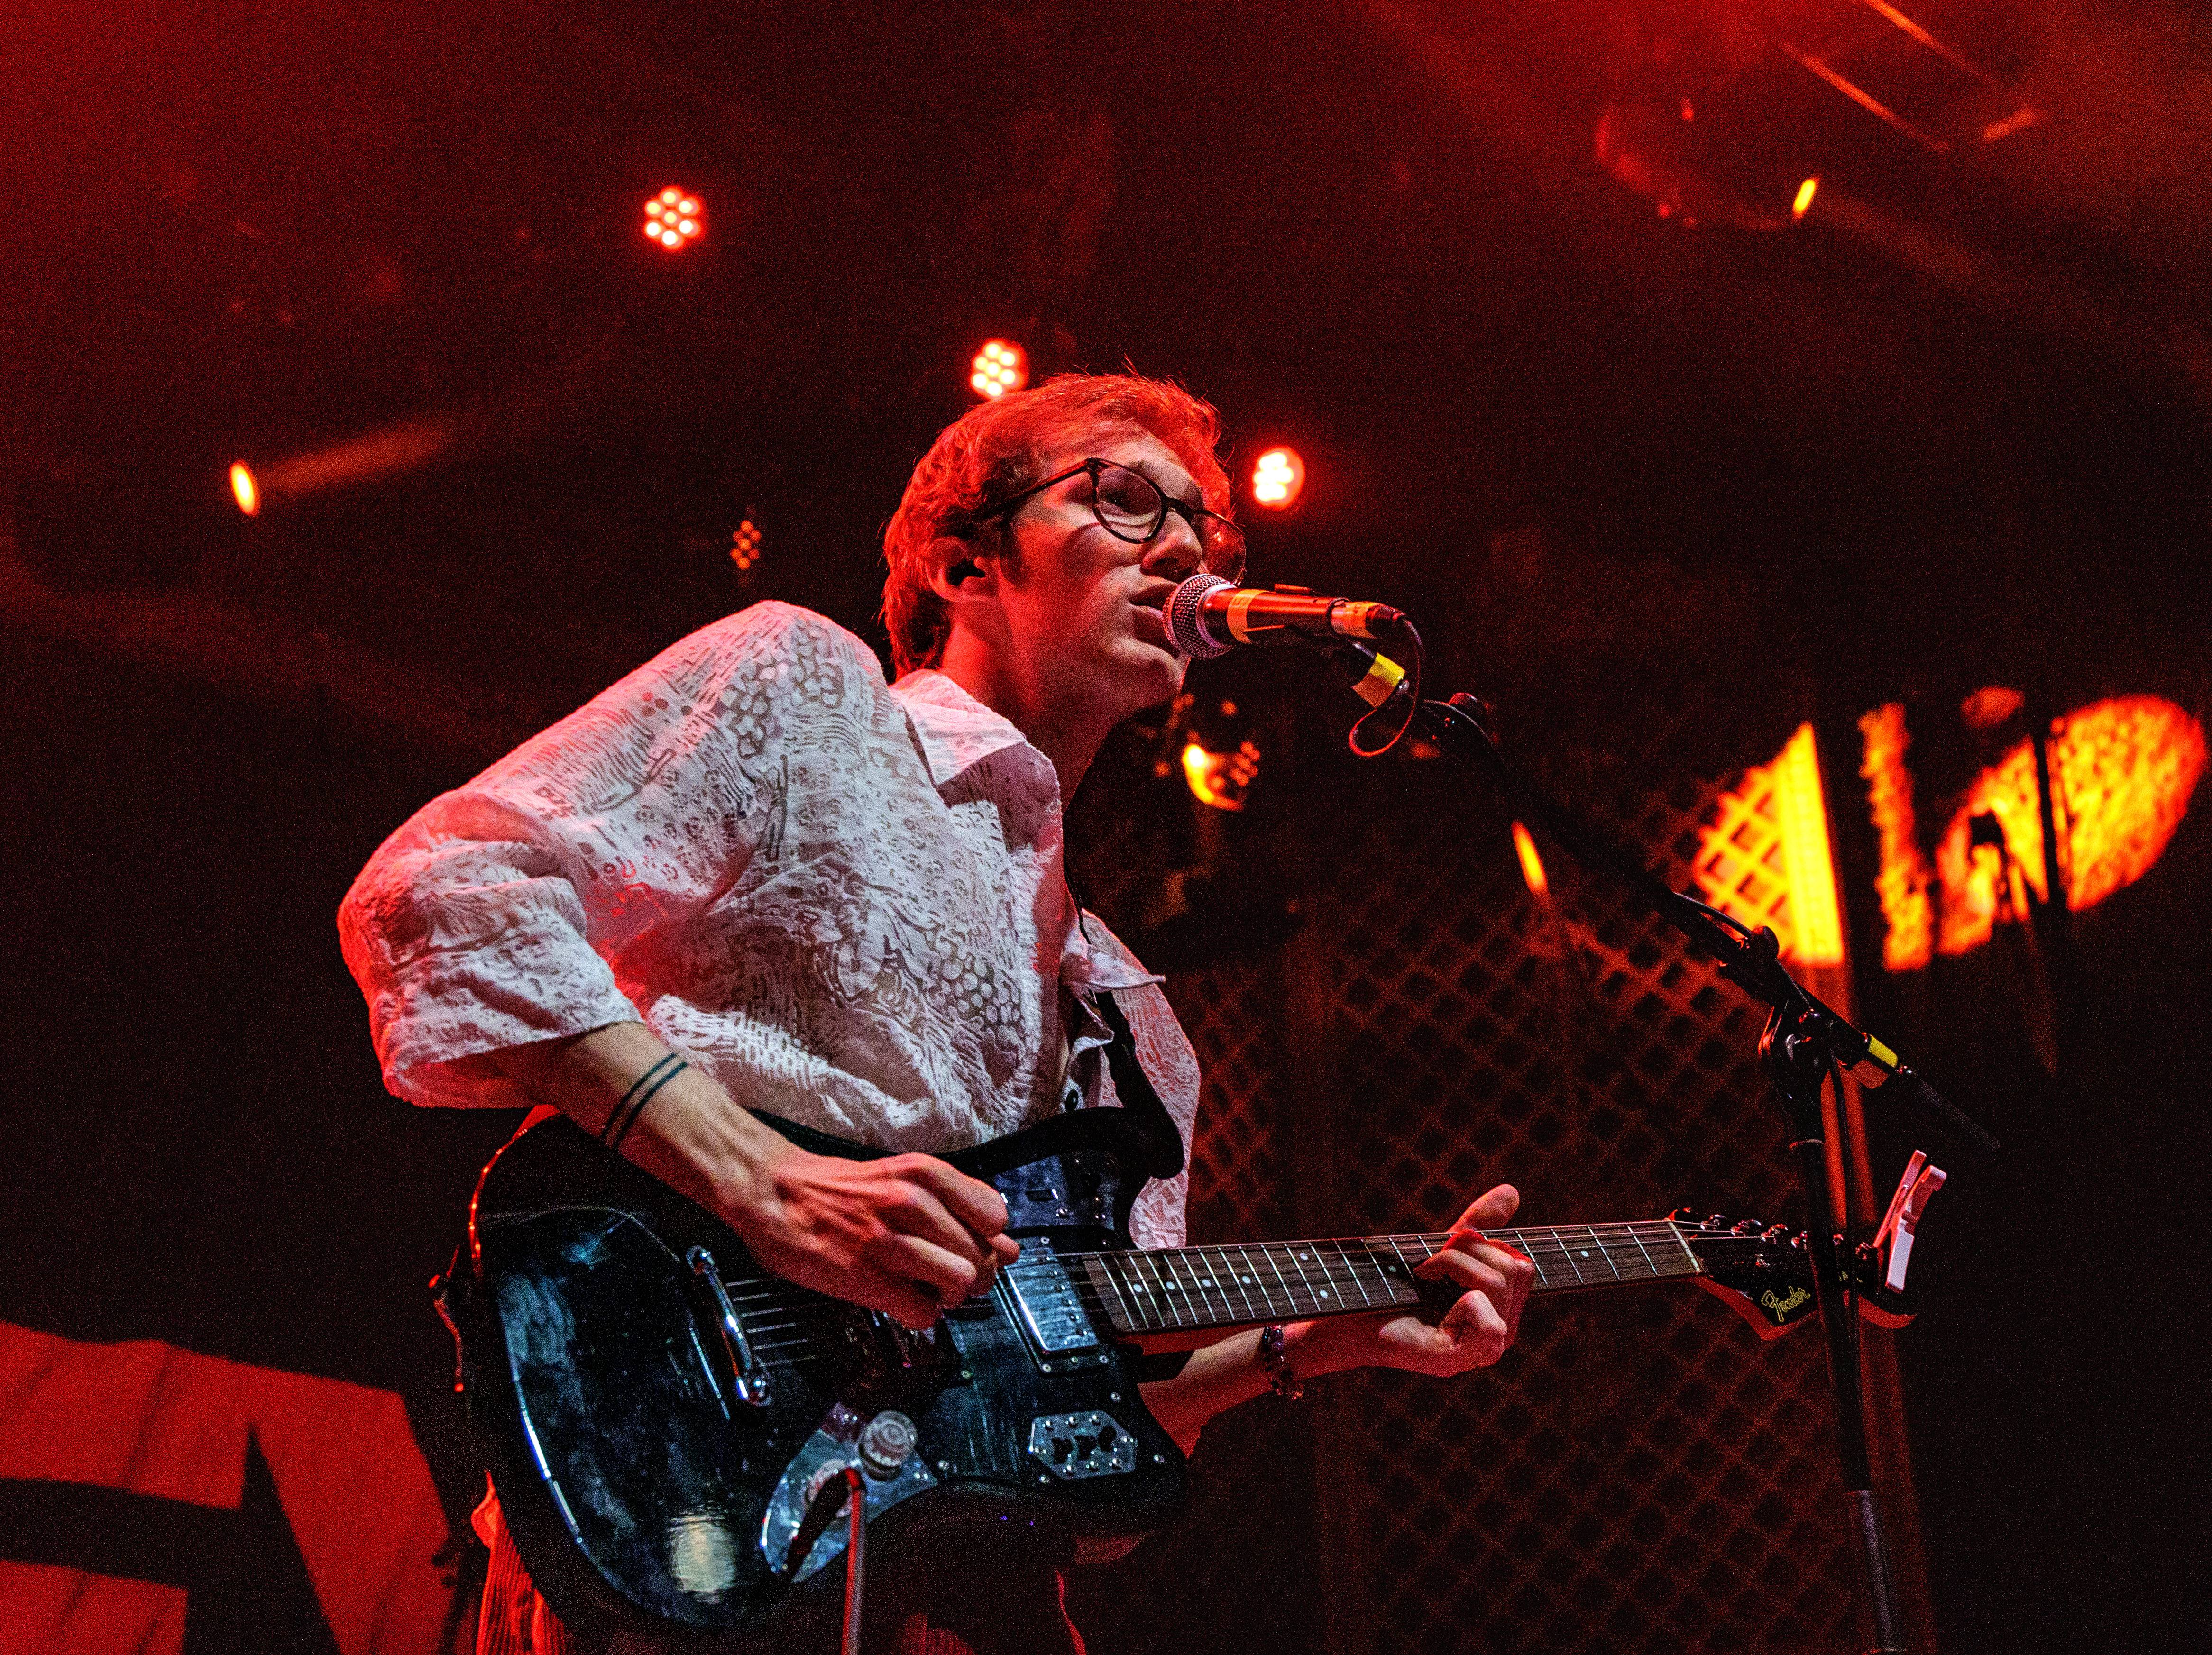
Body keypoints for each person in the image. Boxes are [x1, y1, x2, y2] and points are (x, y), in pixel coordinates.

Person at [338, 372, 1536, 1654]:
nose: (1189, 551)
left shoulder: (1132, 1013)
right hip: (700, 1519)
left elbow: (1076, 1409)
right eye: (1124, 500)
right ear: (967, 565)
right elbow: (441, 893)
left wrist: (1316, 1343)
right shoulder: (806, 695)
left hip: (963, 1599)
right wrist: (766, 1184)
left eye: (1207, 527)